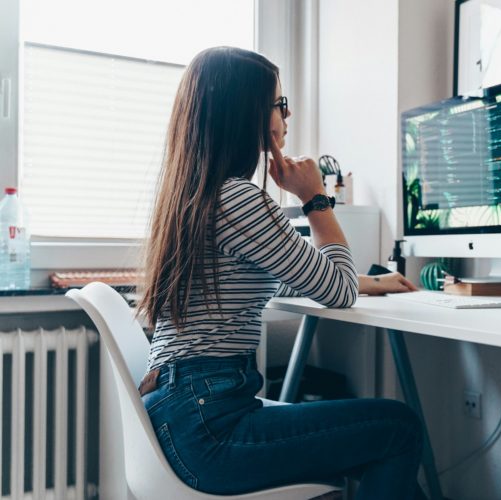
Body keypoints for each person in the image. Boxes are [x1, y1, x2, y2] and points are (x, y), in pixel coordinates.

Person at [137, 46, 425, 499]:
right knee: (398, 428)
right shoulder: (240, 199)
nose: (287, 117)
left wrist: (373, 281)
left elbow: (293, 274)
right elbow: (338, 291)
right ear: (247, 110)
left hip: (179, 414)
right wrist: (315, 200)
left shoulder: (193, 197)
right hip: (210, 427)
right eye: (280, 104)